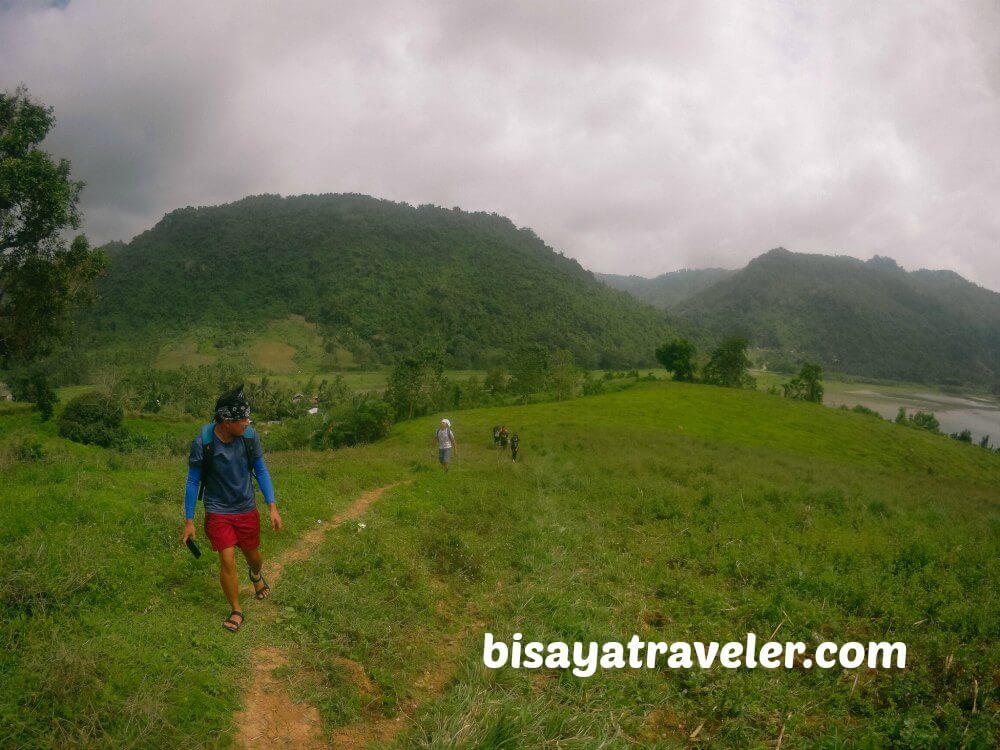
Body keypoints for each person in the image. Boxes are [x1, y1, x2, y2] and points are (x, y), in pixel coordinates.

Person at [181, 385, 283, 633]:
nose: (247, 423)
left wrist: (272, 506)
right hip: (218, 509)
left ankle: (256, 575)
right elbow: (193, 480)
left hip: (246, 506)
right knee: (227, 559)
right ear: (226, 422)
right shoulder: (203, 443)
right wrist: (189, 520)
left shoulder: (249, 437)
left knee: (253, 557)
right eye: (242, 419)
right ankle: (236, 609)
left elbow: (260, 470)